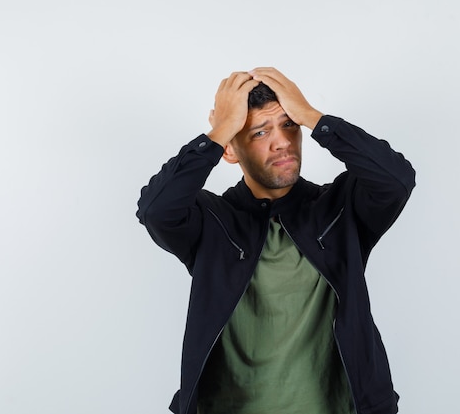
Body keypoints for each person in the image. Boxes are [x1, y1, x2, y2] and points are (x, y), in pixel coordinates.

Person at [136, 67, 416, 414]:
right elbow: (155, 210)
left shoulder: (340, 209)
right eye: (259, 132)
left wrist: (315, 118)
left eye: (288, 125)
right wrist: (219, 131)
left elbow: (397, 180)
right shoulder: (212, 221)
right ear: (230, 151)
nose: (281, 140)